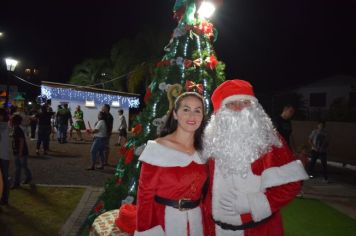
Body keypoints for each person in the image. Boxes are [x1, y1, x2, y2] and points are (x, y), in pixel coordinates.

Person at [203, 80, 308, 236]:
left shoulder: (270, 141)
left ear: (254, 108)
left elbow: (290, 186)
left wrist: (252, 203)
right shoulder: (209, 143)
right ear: (220, 111)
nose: (239, 108)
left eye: (245, 102)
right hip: (215, 229)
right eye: (232, 104)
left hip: (258, 229)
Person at [135, 92, 208, 236]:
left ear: (202, 117)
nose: (192, 116)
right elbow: (145, 196)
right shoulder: (158, 148)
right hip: (164, 223)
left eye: (197, 111)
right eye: (186, 109)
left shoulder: (204, 151)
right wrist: (145, 230)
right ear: (175, 114)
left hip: (197, 223)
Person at [11, 114, 32, 188]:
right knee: (22, 166)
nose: (10, 120)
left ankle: (17, 183)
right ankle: (28, 177)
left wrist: (20, 152)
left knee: (19, 167)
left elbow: (22, 141)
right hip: (19, 151)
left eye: (12, 120)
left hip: (21, 151)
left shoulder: (17, 129)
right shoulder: (16, 128)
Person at [0, 108, 10, 205]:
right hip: (4, 155)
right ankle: (4, 197)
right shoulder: (6, 125)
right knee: (4, 177)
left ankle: (5, 197)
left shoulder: (3, 126)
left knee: (5, 177)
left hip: (3, 155)